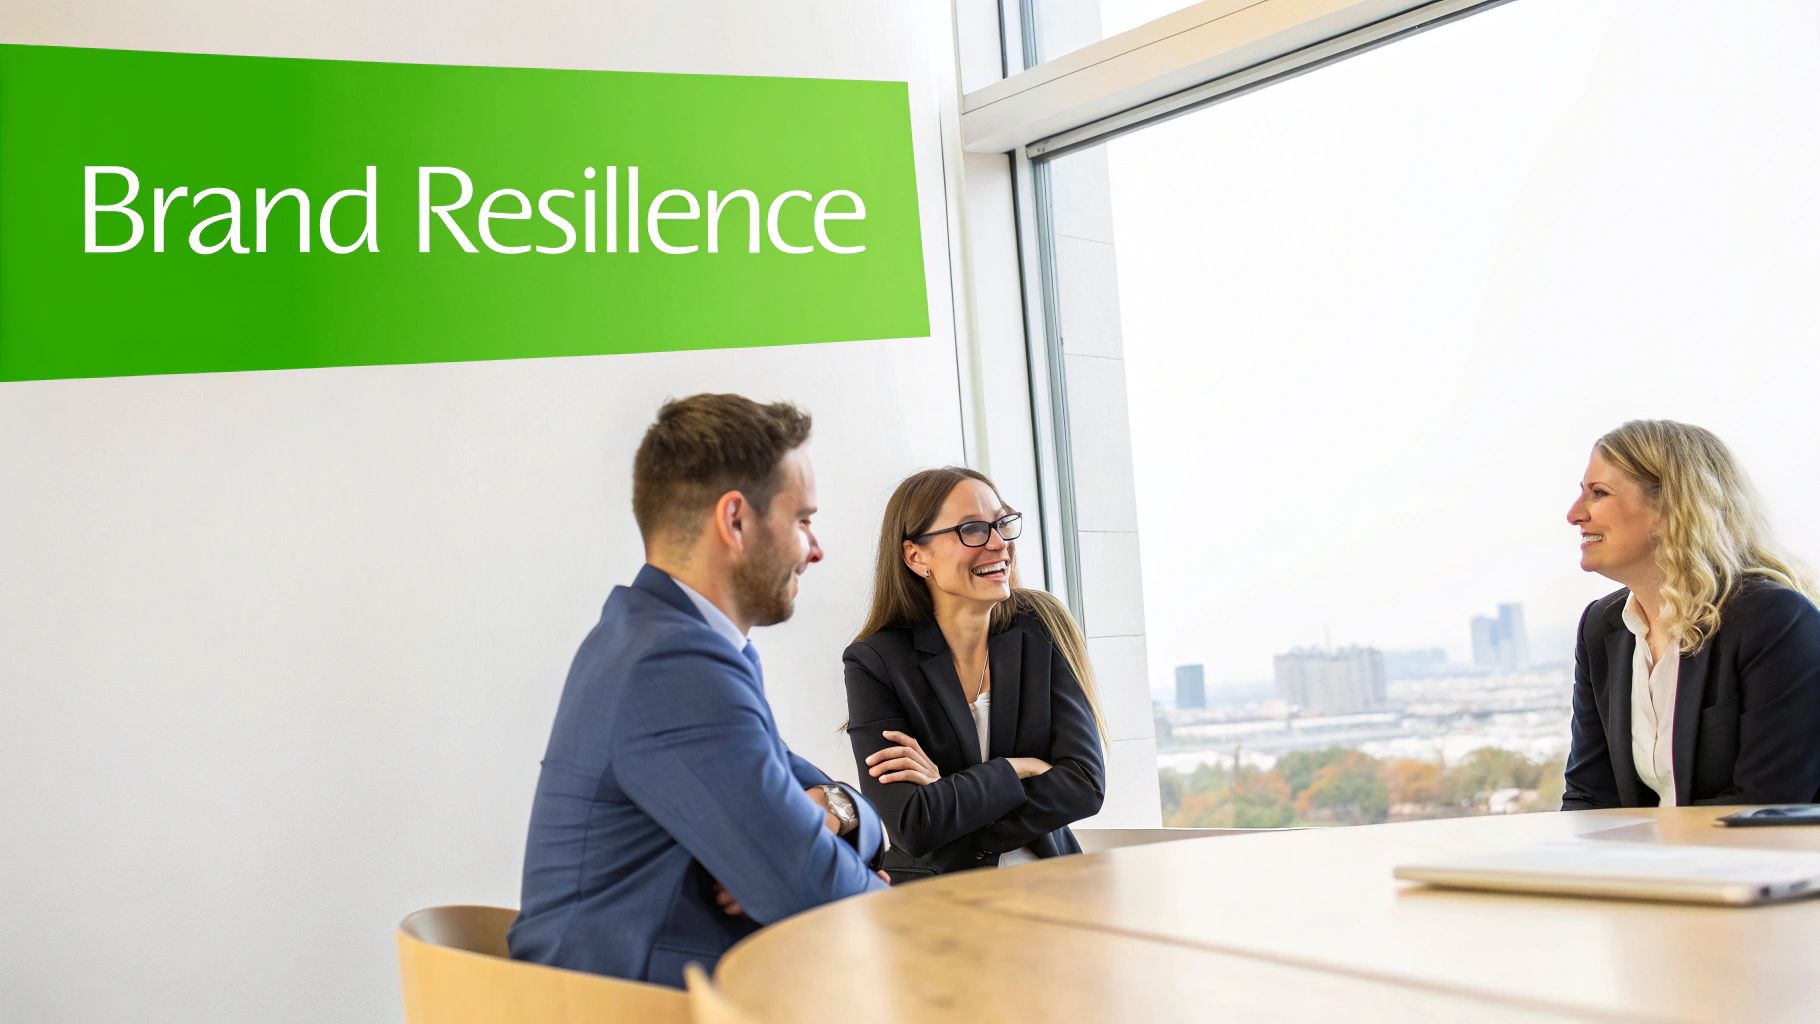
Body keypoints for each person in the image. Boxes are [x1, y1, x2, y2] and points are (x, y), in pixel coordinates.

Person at [508, 394, 887, 988]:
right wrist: (898, 911)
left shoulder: (650, 636)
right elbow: (801, 884)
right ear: (735, 520)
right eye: (802, 521)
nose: (815, 550)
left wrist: (838, 815)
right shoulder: (674, 664)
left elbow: (812, 803)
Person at [842, 467, 1107, 881]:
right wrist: (1017, 768)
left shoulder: (1039, 627)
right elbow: (912, 824)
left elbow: (1084, 786)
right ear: (916, 556)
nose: (999, 543)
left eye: (1001, 523)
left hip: (1053, 886)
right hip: (939, 901)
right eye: (972, 529)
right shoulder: (875, 661)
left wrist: (948, 791)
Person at [1562, 419, 1820, 810]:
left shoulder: (1775, 620)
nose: (1574, 514)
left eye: (1599, 493)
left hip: (1755, 867)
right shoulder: (1601, 627)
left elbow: (1767, 808)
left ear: (1670, 508)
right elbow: (1589, 796)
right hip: (1651, 867)